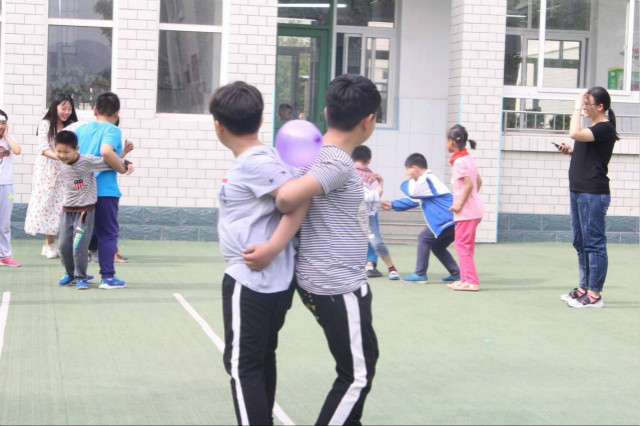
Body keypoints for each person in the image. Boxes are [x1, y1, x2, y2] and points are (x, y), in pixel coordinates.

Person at [273, 74, 380, 425]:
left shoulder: (316, 155)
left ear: (325, 112)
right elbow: (287, 198)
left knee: (364, 358)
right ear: (368, 121)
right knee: (357, 376)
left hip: (330, 280)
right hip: (335, 284)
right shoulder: (336, 162)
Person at [210, 81, 309, 425]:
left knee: (243, 366)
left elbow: (297, 197)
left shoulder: (255, 161)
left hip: (252, 280)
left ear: (218, 126)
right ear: (261, 119)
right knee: (260, 359)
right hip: (269, 281)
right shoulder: (266, 158)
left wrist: (272, 248)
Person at [557, 87, 619, 309]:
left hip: (593, 193)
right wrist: (571, 152)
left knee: (594, 244)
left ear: (600, 107)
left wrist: (575, 106)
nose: (584, 107)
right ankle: (584, 287)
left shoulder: (604, 128)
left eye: (587, 104)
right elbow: (591, 155)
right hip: (579, 191)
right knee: (580, 242)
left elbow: (574, 133)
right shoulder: (594, 129)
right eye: (583, 104)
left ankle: (594, 294)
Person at [66, 92, 134, 289]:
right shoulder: (112, 130)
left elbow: (79, 158)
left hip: (82, 189)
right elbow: (105, 152)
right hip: (104, 190)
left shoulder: (81, 130)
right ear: (117, 112)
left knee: (80, 233)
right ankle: (107, 277)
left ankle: (75, 273)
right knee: (107, 233)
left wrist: (121, 156)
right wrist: (122, 168)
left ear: (95, 110)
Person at [53, 130, 133, 290]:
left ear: (76, 149)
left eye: (66, 152)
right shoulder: (60, 163)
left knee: (78, 246)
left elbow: (108, 162)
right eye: (59, 151)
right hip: (66, 211)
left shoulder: (87, 161)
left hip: (84, 211)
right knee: (62, 246)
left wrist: (125, 159)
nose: (62, 155)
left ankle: (81, 277)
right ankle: (70, 273)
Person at [381, 153, 460, 284]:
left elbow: (412, 193)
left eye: (407, 169)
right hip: (451, 220)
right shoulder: (426, 181)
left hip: (446, 219)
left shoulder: (427, 179)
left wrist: (407, 179)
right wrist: (393, 205)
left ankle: (420, 274)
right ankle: (456, 273)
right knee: (438, 247)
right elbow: (414, 200)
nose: (406, 173)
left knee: (424, 238)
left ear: (414, 168)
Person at [24, 94, 78, 259]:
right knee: (48, 204)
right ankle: (50, 243)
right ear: (55, 107)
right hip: (47, 170)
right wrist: (61, 157)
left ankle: (53, 244)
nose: (66, 112)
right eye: (63, 108)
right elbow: (44, 148)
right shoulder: (45, 124)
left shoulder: (71, 126)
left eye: (69, 109)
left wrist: (69, 160)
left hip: (66, 169)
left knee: (63, 205)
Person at [445, 124, 484, 292]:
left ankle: (471, 281)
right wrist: (472, 199)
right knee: (465, 246)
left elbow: (469, 184)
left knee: (462, 246)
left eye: (446, 140)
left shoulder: (459, 162)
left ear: (452, 142)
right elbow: (478, 181)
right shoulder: (468, 159)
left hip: (466, 212)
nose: (445, 144)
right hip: (473, 210)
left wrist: (460, 203)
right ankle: (465, 279)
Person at [351, 145, 399, 280]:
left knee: (368, 241)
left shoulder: (348, 174)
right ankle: (380, 266)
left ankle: (372, 265)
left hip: (356, 215)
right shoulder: (370, 176)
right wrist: (381, 182)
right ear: (369, 160)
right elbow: (376, 196)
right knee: (375, 241)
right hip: (365, 215)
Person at [0, 109, 22, 267]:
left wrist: (7, 135)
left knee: (4, 224)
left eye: (3, 123)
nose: (1, 126)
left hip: (6, 186)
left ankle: (5, 256)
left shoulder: (9, 139)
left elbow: (17, 151)